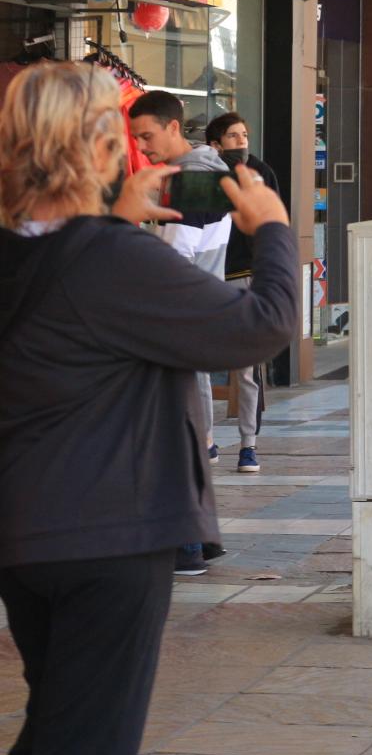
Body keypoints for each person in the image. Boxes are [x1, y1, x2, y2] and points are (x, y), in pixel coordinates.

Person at [0, 61, 296, 755]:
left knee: (55, 730)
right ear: (104, 150)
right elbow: (260, 326)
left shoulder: (30, 251)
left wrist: (112, 225)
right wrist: (273, 230)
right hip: (108, 537)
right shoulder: (112, 261)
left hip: (26, 534)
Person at [130, 90, 234, 575]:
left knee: (177, 430)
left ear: (173, 127)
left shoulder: (193, 179)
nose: (142, 146)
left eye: (147, 136)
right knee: (187, 427)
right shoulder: (206, 171)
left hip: (179, 318)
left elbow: (172, 260)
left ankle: (189, 545)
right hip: (193, 315)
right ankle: (201, 540)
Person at [206, 111, 280, 476]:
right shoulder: (203, 175)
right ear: (215, 144)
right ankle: (205, 439)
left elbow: (274, 222)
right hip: (207, 276)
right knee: (199, 365)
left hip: (244, 274)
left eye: (244, 135)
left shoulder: (260, 172)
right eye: (233, 136)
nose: (242, 141)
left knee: (247, 369)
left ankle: (248, 445)